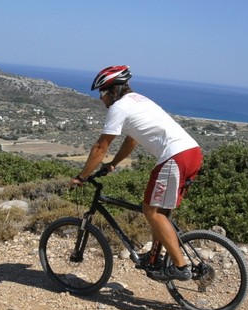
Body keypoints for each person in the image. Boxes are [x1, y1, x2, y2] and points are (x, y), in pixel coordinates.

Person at [69, 65, 203, 282]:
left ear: (113, 90)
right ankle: (154, 258)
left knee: (151, 211)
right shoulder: (139, 100)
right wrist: (113, 164)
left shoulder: (119, 107)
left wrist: (82, 176)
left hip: (175, 156)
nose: (101, 99)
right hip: (192, 153)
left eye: (102, 93)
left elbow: (100, 146)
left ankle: (180, 267)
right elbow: (132, 139)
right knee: (161, 212)